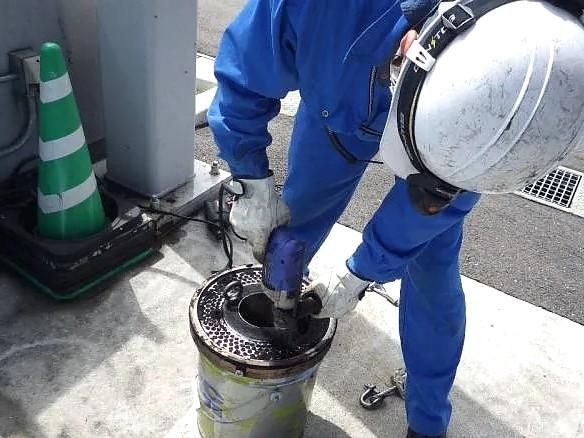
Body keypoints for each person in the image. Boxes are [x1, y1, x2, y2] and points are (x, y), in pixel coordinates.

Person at [207, 1, 584, 436]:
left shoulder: (515, 102)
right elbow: (247, 71)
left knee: (431, 266)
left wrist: (361, 271)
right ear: (412, 48)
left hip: (447, 155)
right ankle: (275, 319)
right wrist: (251, 178)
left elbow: (432, 207)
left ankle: (426, 424)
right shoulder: (324, 9)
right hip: (339, 106)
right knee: (294, 223)